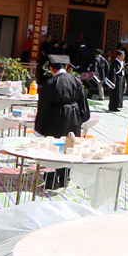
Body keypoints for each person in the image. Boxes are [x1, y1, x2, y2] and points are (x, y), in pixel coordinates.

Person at [34, 55, 89, 189]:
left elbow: (44, 105)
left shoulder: (51, 82)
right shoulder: (75, 80)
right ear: (66, 67)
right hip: (74, 116)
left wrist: (39, 127)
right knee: (69, 147)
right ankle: (65, 178)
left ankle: (50, 181)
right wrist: (84, 118)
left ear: (52, 68)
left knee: (53, 148)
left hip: (56, 117)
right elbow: (83, 100)